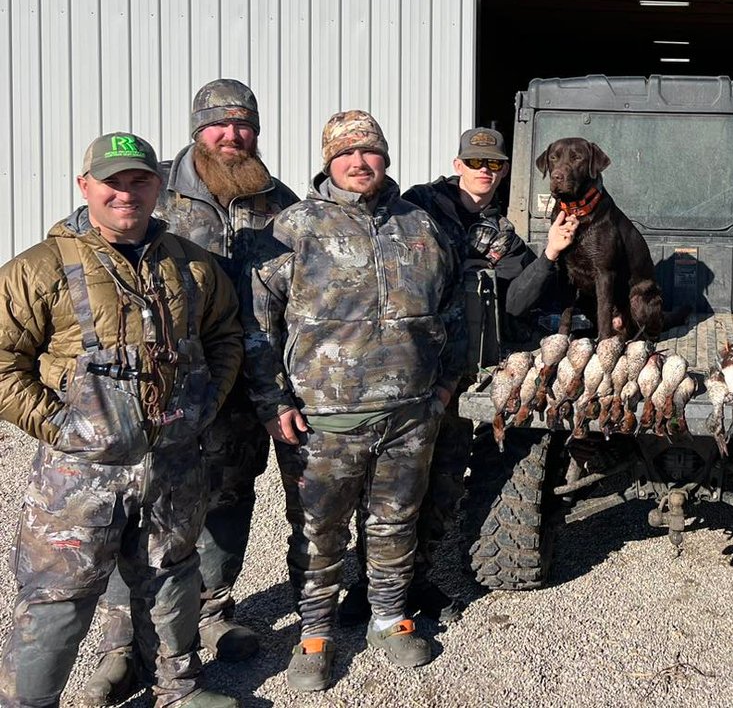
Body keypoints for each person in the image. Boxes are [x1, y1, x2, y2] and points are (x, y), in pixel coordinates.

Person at [0, 133, 243, 708]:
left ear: (158, 187)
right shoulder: (39, 269)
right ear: (85, 186)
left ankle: (179, 689)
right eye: (113, 181)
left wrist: (204, 406)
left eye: (139, 180)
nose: (125, 193)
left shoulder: (193, 266)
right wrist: (61, 428)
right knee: (59, 599)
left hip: (173, 465)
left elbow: (225, 336)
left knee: (172, 577)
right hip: (79, 478)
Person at [84, 80, 299, 706]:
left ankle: (212, 613)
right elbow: (87, 260)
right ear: (196, 129)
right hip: (158, 395)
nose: (232, 138)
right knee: (142, 513)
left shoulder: (277, 202)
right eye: (219, 126)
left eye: (244, 127)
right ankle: (122, 647)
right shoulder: (151, 192)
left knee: (228, 501)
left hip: (240, 389)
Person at [246, 110, 459, 692]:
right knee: (318, 527)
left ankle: (388, 619)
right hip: (323, 419)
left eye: (370, 153)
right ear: (328, 162)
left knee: (395, 521)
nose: (359, 162)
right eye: (346, 154)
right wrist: (273, 400)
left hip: (411, 414)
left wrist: (445, 382)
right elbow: (258, 323)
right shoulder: (293, 228)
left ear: (385, 159)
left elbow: (454, 304)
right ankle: (315, 634)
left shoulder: (421, 224)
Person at [328, 127, 535, 624]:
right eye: (476, 162)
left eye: (495, 165)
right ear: (457, 163)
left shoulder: (503, 228)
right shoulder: (417, 208)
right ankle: (369, 584)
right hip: (406, 372)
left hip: (458, 371)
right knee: (386, 490)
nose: (486, 172)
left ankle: (418, 576)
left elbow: (519, 287)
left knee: (443, 481)